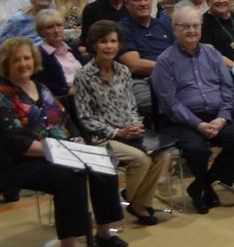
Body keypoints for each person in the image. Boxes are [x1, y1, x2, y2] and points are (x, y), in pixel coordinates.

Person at [0, 37, 125, 247]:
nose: (23, 64)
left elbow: (66, 119)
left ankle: (104, 231)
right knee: (70, 177)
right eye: (16, 60)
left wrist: (77, 139)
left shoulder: (42, 88)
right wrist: (62, 151)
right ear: (6, 64)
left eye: (27, 58)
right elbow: (14, 142)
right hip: (19, 162)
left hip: (60, 151)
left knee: (103, 162)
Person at [151, 4, 234, 213]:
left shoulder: (212, 54)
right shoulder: (165, 61)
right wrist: (198, 124)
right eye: (185, 26)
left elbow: (227, 89)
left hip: (216, 116)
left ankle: (201, 185)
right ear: (175, 29)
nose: (191, 31)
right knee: (198, 150)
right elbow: (170, 104)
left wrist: (222, 118)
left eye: (195, 25)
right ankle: (205, 187)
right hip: (181, 122)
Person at [70, 22, 164, 226]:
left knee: (163, 154)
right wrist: (118, 132)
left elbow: (131, 105)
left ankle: (139, 203)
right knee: (141, 159)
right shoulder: (83, 76)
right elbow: (86, 118)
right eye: (103, 42)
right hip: (102, 137)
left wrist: (135, 125)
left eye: (113, 41)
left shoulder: (123, 70)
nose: (109, 46)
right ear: (94, 45)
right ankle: (134, 199)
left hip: (129, 131)